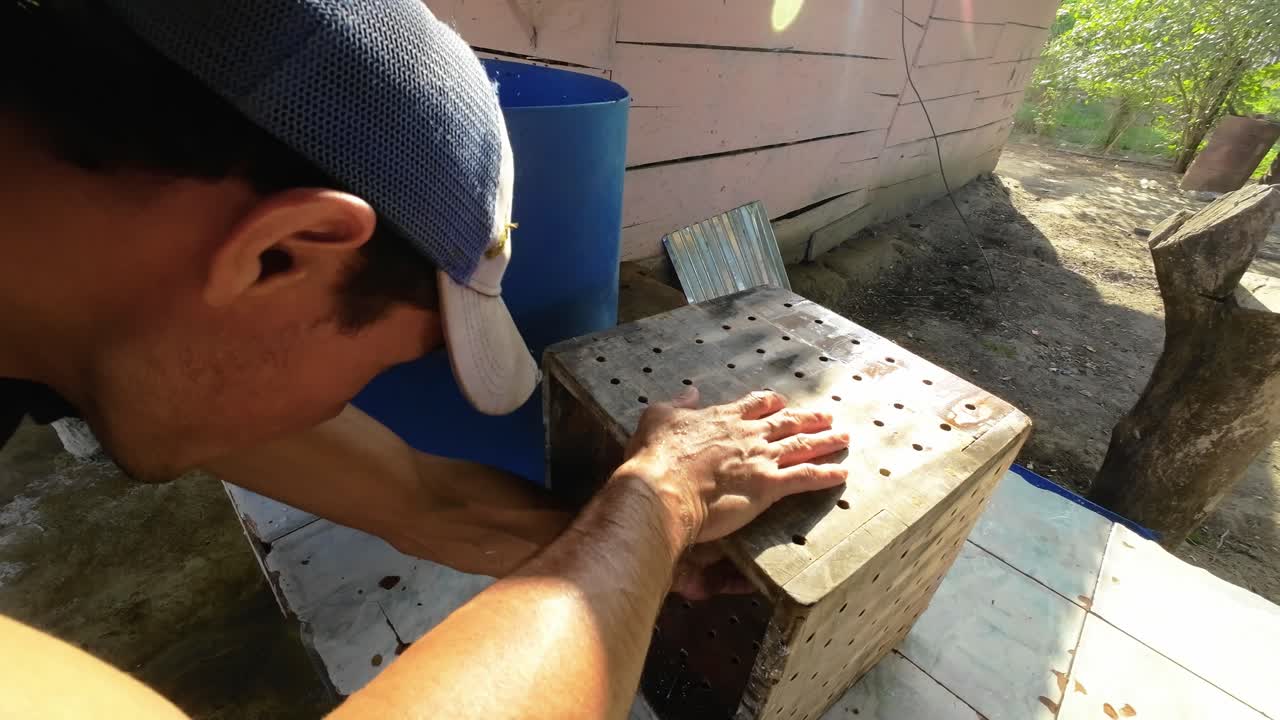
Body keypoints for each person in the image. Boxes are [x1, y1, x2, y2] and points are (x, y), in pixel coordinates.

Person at [0, 1, 851, 717]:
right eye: (383, 363)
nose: (345, 409)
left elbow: (424, 498)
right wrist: (660, 498)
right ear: (283, 254)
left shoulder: (79, 317)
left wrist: (646, 546)